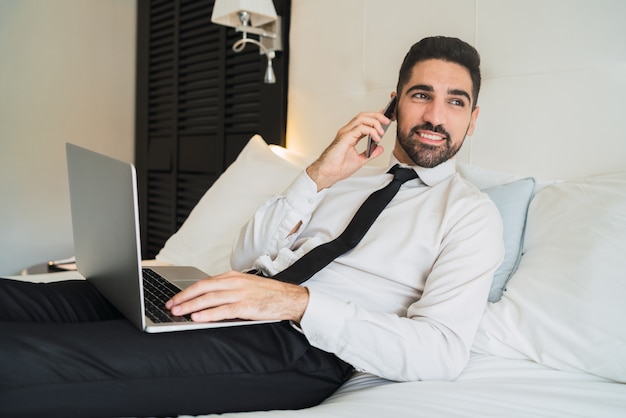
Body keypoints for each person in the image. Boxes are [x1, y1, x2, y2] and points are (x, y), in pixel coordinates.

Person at [0, 36, 503, 417]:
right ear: (393, 105)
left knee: (28, 359)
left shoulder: (470, 215)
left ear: (474, 119)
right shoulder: (347, 177)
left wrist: (291, 302)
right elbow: (246, 256)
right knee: (21, 298)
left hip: (302, 346)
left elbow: (441, 352)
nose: (436, 115)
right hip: (229, 294)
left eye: (455, 101)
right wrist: (318, 174)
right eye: (421, 96)